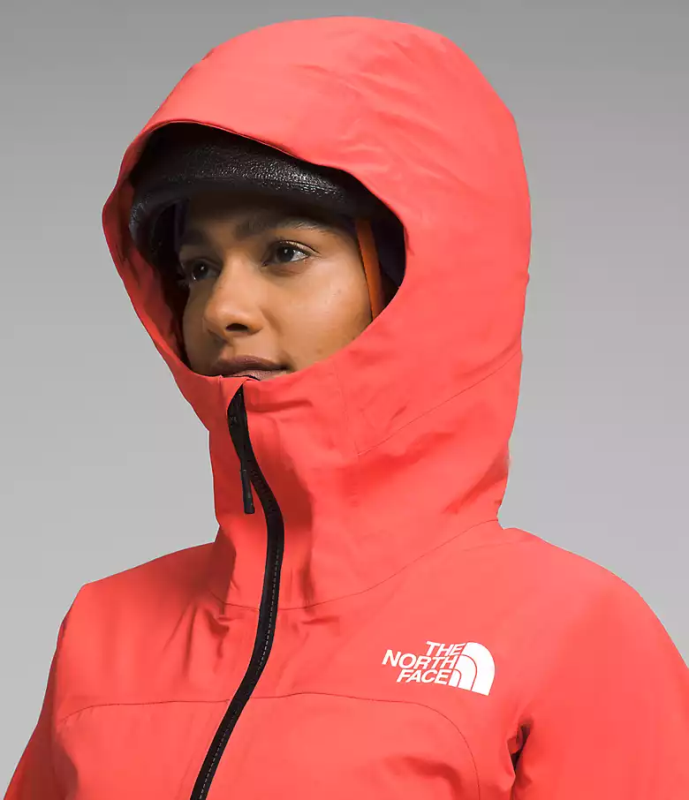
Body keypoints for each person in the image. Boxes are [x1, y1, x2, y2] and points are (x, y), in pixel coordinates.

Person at [5, 16, 688, 800]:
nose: (221, 309)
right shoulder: (104, 628)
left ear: (412, 279)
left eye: (284, 253)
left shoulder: (572, 633)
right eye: (197, 268)